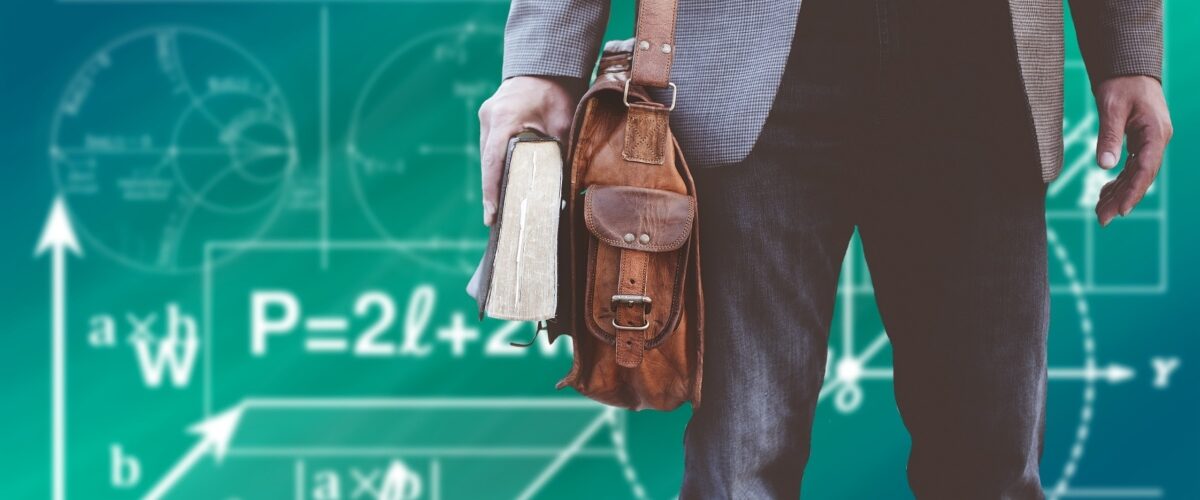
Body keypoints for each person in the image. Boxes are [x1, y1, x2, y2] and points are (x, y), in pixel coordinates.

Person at [476, 0, 1172, 498]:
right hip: (753, 69)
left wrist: (1127, 46)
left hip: (983, 67)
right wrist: (545, 59)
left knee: (992, 460)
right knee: (742, 462)